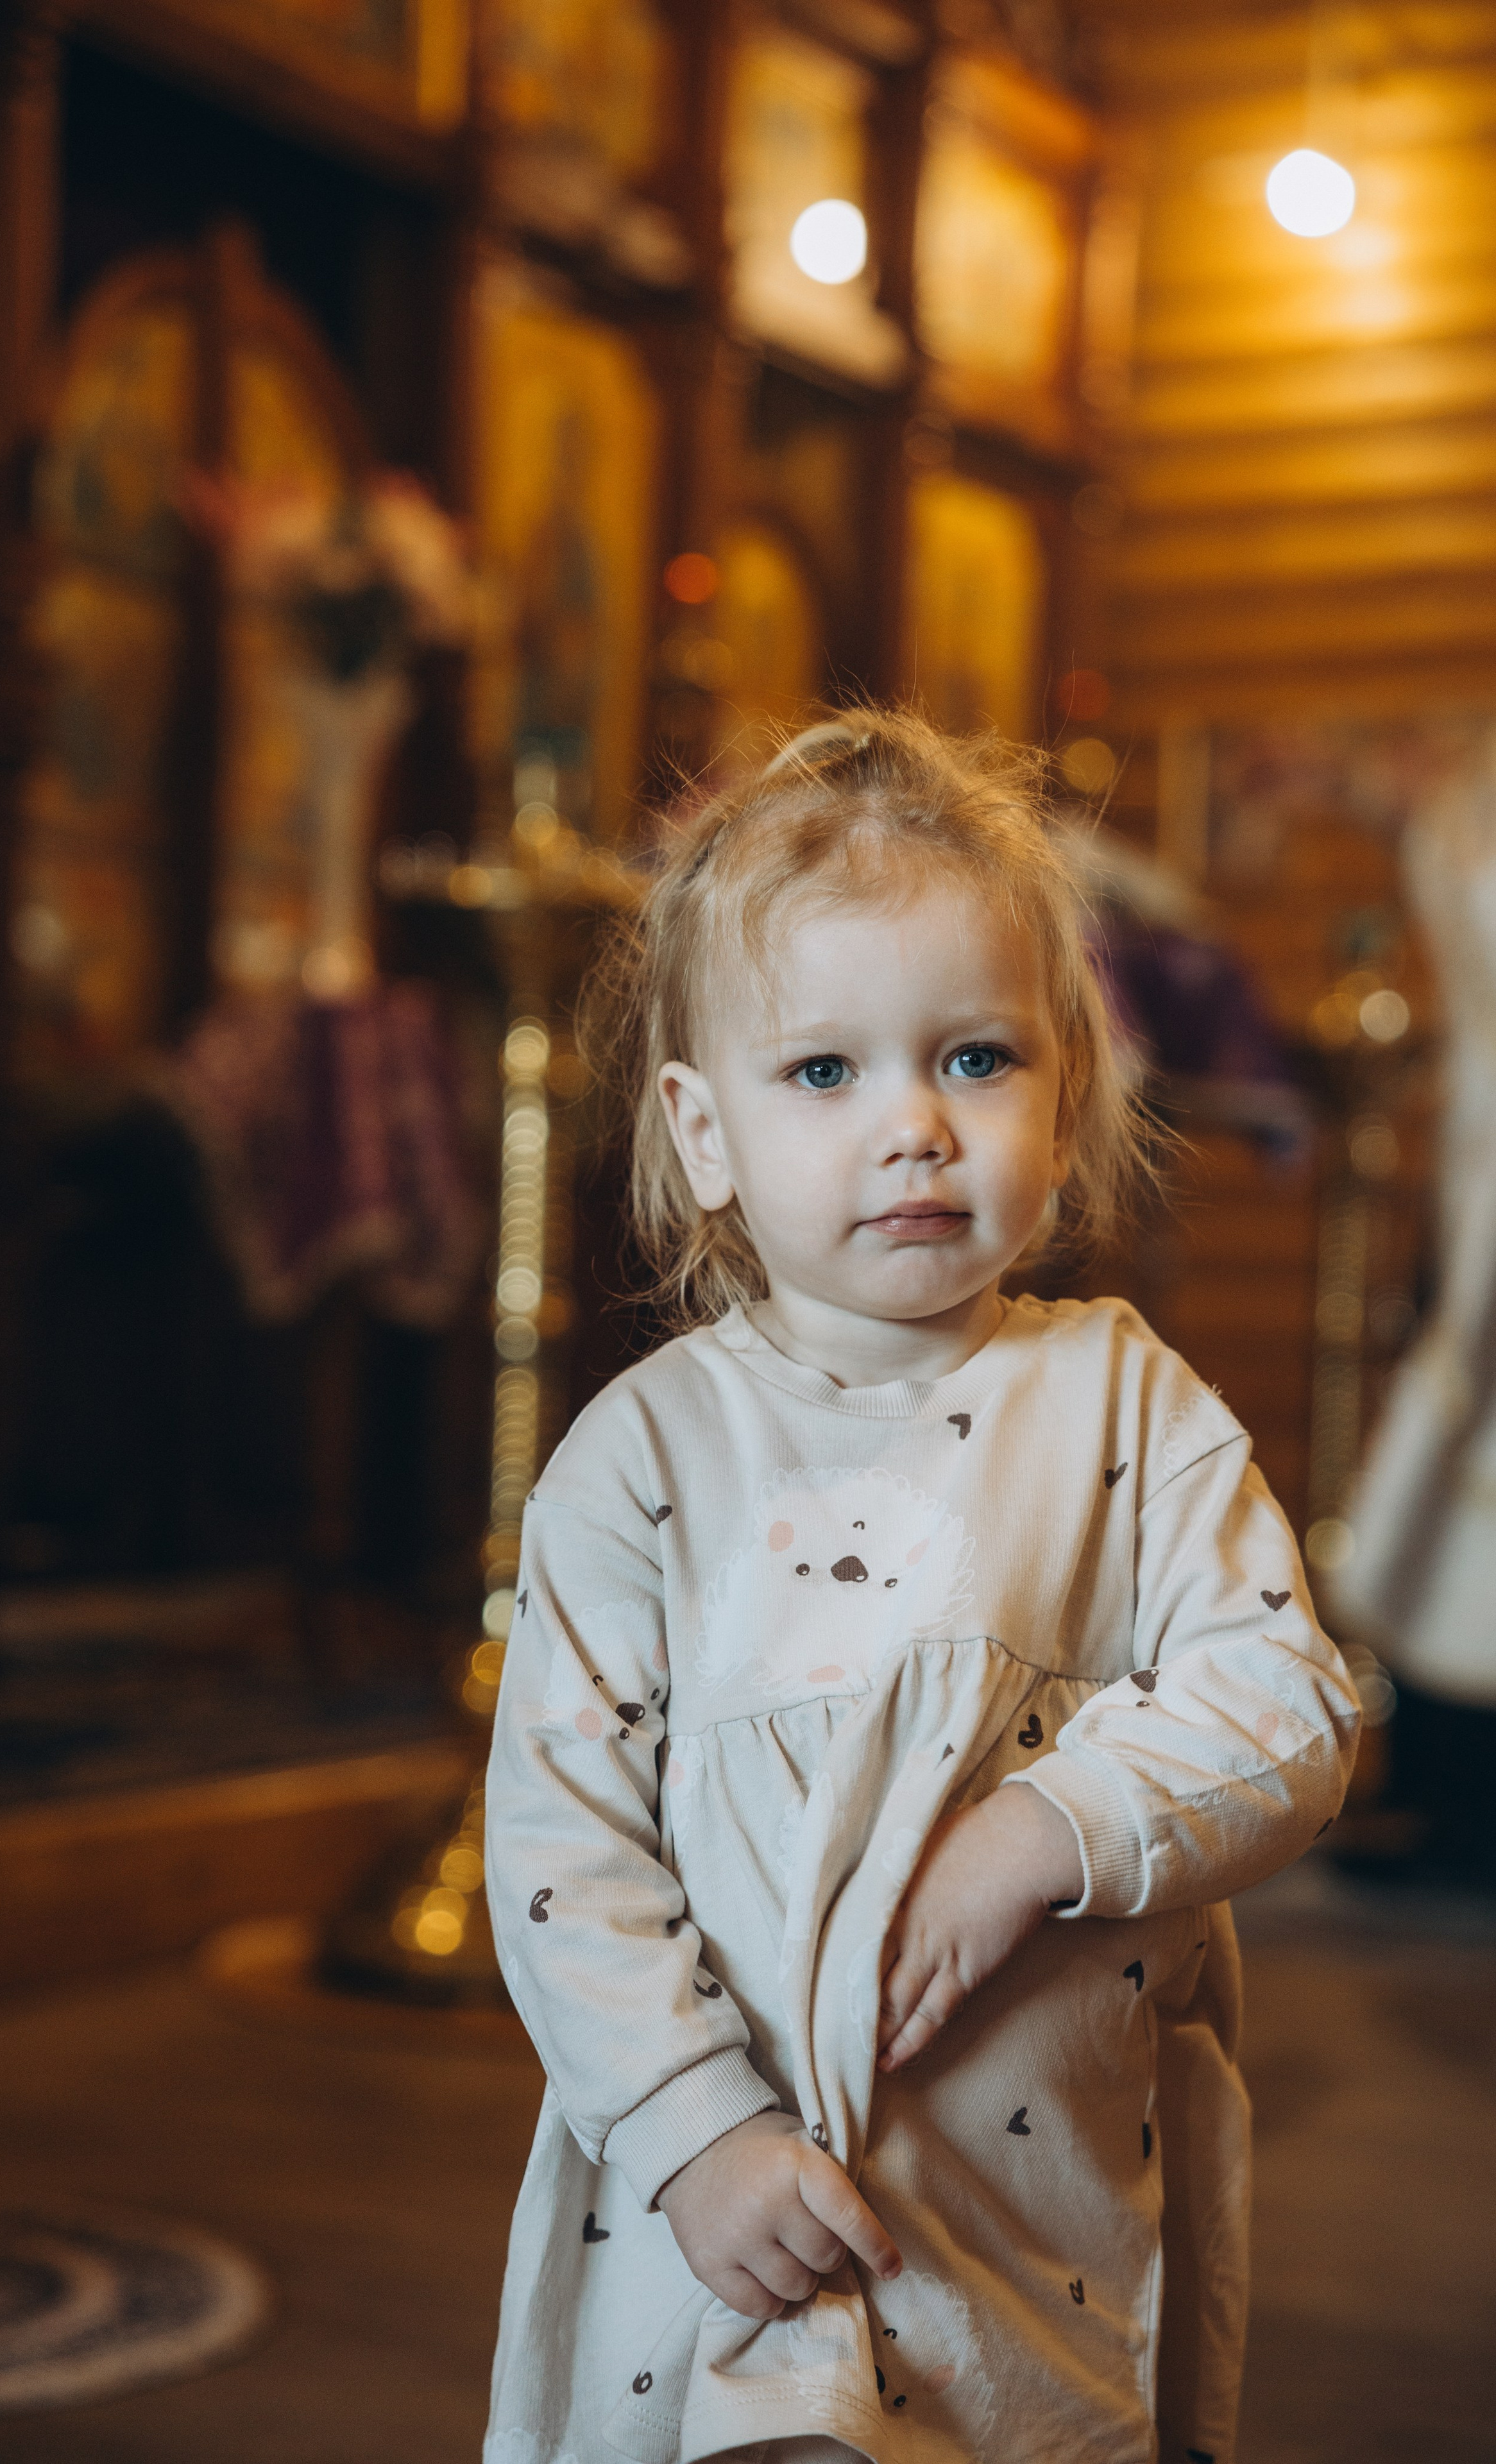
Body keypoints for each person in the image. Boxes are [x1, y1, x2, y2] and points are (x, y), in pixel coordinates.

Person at [482, 713, 1360, 2464]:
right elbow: (566, 1845)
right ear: (704, 1129)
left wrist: (1040, 1831)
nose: (915, 1128)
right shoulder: (644, 1458)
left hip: (1029, 2252)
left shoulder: (1124, 1409)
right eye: (825, 1072)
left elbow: (1289, 1704)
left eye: (975, 1057)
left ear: (1068, 1092)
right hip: (733, 2239)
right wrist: (690, 2124)